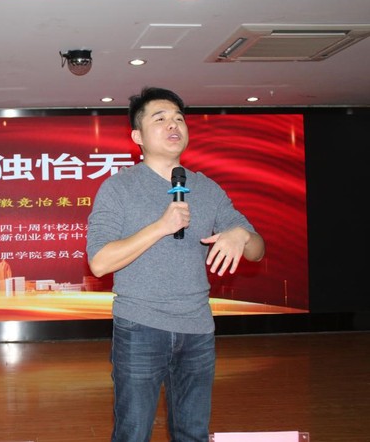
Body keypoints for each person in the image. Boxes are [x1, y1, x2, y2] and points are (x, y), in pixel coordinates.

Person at [85, 86, 265, 442]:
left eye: (179, 119)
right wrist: (160, 227)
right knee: (133, 433)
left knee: (193, 433)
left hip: (197, 329)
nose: (173, 125)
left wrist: (241, 235)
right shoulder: (118, 188)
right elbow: (100, 263)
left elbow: (257, 250)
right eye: (160, 118)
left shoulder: (207, 189)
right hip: (140, 327)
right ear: (137, 136)